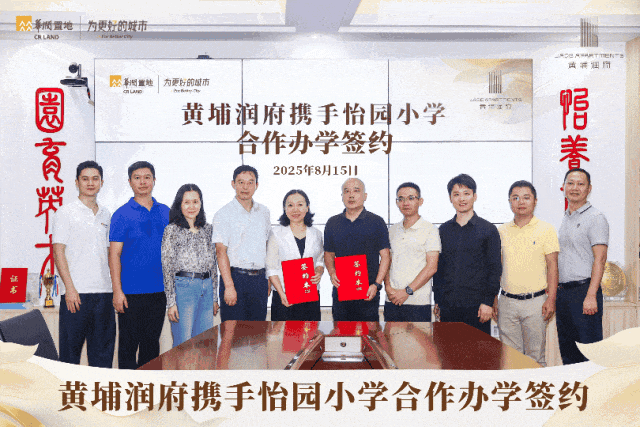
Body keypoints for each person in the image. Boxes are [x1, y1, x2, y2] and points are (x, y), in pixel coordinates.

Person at [52, 161, 115, 367]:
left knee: (102, 357)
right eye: (85, 179)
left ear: (101, 182)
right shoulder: (65, 212)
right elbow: (58, 252)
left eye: (95, 179)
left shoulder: (106, 214)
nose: (90, 183)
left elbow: (110, 254)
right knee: (70, 357)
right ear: (76, 182)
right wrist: (70, 289)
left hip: (104, 293)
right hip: (76, 295)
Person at [109, 161, 169, 369]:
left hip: (159, 291)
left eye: (147, 177)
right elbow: (114, 255)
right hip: (130, 293)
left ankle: (148, 387)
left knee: (151, 346)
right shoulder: (121, 214)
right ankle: (127, 388)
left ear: (154, 180)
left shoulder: (166, 212)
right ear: (129, 182)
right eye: (137, 178)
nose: (142, 182)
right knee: (128, 346)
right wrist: (117, 291)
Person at [494, 180, 559, 366]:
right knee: (510, 358)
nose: (520, 202)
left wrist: (551, 299)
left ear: (535, 201)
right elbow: (496, 267)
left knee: (535, 358)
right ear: (509, 201)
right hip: (507, 302)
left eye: (526, 197)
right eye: (515, 198)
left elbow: (553, 266)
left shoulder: (546, 229)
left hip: (536, 302)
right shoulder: (501, 231)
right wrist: (494, 298)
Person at [433, 174, 501, 335]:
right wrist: (438, 300)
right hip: (448, 306)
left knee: (477, 350)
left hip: (478, 308)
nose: (461, 198)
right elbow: (439, 269)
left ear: (474, 196)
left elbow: (495, 269)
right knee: (449, 349)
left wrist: (488, 302)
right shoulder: (443, 230)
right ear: (450, 198)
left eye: (466, 193)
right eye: (456, 194)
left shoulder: (488, 230)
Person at [557, 168, 609, 364]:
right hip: (564, 294)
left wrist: (591, 295)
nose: (574, 188)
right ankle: (574, 385)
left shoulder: (596, 217)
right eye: (570, 183)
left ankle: (592, 386)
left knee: (589, 352)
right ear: (564, 187)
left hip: (584, 292)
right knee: (568, 352)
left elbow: (600, 259)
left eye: (580, 184)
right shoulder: (566, 218)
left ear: (589, 189)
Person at [324, 178, 390, 321]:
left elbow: (385, 256)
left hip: (368, 292)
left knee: (368, 332)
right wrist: (332, 272)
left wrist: (377, 284)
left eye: (356, 191)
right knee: (341, 332)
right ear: (342, 196)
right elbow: (329, 254)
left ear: (365, 196)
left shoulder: (377, 222)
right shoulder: (332, 222)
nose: (351, 195)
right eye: (346, 191)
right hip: (341, 292)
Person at [212, 165, 271, 321]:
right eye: (241, 182)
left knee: (258, 332)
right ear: (233, 184)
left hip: (259, 280)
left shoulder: (264, 212)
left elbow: (266, 247)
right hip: (235, 279)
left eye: (250, 182)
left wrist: (268, 279)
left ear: (256, 185)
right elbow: (220, 252)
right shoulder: (223, 214)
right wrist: (229, 286)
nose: (246, 187)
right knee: (233, 332)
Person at [162, 184, 218, 347]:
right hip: (184, 289)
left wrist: (214, 297)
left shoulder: (208, 229)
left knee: (205, 343)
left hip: (207, 288)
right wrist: (171, 302)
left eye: (195, 202)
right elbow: (167, 267)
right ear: (179, 204)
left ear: (201, 203)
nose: (191, 206)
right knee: (183, 344)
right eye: (187, 202)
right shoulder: (172, 230)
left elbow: (213, 265)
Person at [384, 182, 440, 322]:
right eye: (401, 199)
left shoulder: (430, 230)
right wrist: (388, 288)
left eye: (411, 198)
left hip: (417, 303)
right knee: (390, 337)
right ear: (397, 203)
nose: (405, 203)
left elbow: (432, 267)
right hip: (392, 300)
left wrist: (407, 291)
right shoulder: (392, 230)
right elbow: (386, 262)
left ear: (420, 201)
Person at [266, 189, 324, 321]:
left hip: (310, 295)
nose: (295, 209)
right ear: (285, 208)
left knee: (311, 333)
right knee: (284, 333)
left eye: (300, 204)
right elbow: (271, 268)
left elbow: (320, 261)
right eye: (290, 205)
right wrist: (282, 294)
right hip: (284, 296)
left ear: (307, 207)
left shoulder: (316, 234)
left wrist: (319, 271)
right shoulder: (276, 233)